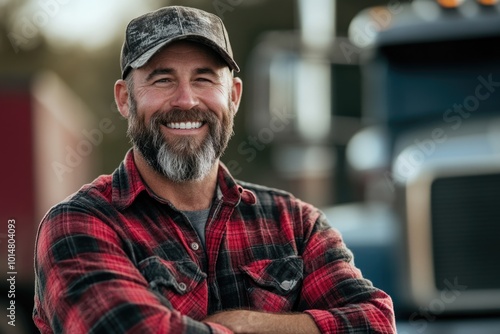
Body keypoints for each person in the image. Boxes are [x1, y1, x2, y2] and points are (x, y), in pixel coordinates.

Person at [33, 5, 396, 334]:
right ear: (125, 99)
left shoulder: (297, 223)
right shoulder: (78, 224)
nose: (186, 100)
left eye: (204, 78)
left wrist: (245, 323)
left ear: (234, 96)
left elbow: (376, 323)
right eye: (162, 79)